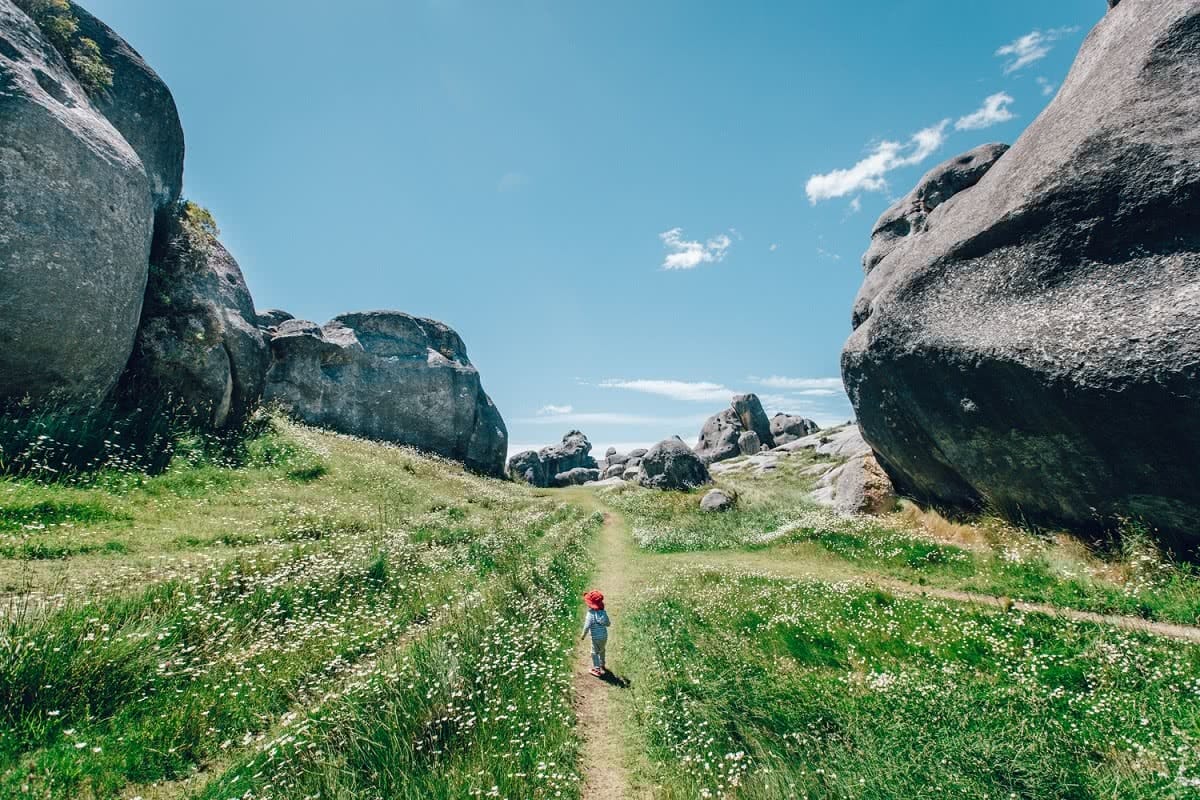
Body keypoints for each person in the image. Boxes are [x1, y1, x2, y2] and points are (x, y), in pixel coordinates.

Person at [580, 590, 610, 677]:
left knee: (594, 652)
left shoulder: (590, 614)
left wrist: (583, 635)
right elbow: (608, 624)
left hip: (596, 638)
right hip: (604, 636)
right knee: (602, 649)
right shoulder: (603, 613)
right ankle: (602, 664)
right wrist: (602, 621)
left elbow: (586, 626)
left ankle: (597, 669)